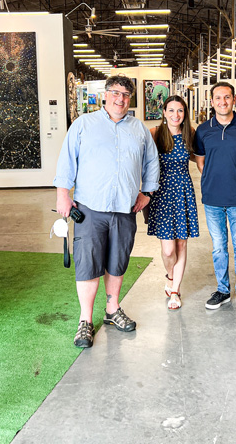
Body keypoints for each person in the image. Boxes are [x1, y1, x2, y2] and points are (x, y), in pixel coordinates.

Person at [54, 75, 159, 348]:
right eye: (115, 92)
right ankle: (85, 321)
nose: (120, 98)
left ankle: (112, 311)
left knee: (117, 261)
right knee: (88, 264)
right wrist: (62, 194)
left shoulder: (139, 129)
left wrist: (147, 192)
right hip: (90, 209)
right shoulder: (83, 125)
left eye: (126, 94)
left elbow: (151, 162)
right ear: (105, 94)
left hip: (125, 209)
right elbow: (67, 160)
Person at [194, 82, 236, 315]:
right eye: (218, 98)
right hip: (212, 199)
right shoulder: (203, 130)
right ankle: (223, 290)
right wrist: (216, 180)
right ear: (211, 102)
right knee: (218, 247)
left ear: (234, 99)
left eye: (227, 97)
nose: (223, 102)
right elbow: (201, 163)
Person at [147, 95, 199, 310]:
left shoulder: (190, 135)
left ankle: (175, 290)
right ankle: (170, 276)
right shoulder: (155, 134)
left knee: (181, 243)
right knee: (168, 250)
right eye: (171, 110)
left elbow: (202, 158)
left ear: (184, 113)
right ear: (164, 112)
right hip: (161, 193)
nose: (175, 115)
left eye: (180, 111)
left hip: (183, 192)